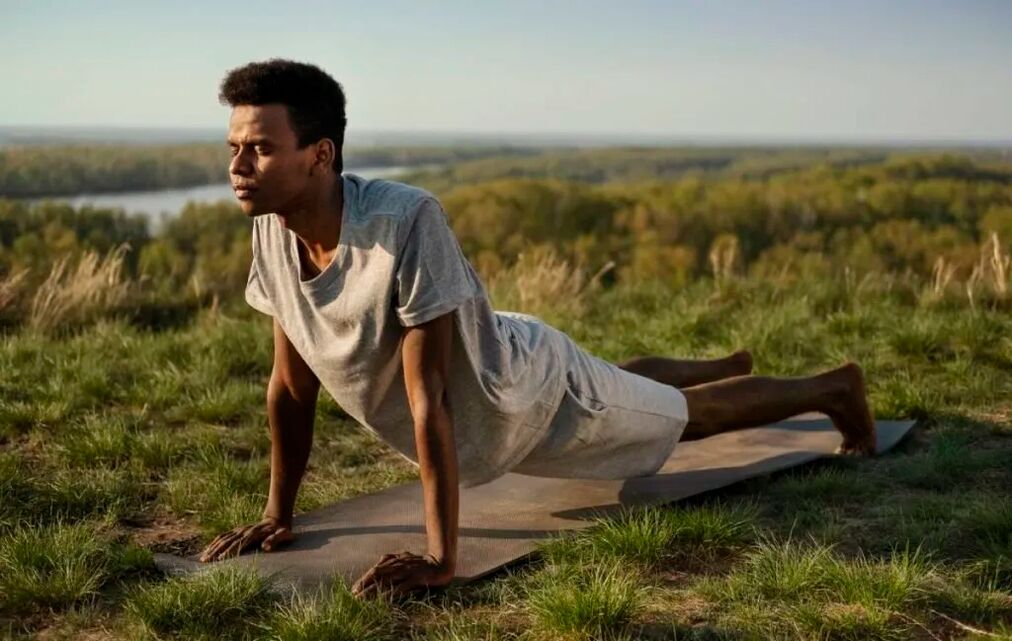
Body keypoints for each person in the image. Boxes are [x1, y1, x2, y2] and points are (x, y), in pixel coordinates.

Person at [197, 59, 876, 599]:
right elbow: (290, 388)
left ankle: (834, 389)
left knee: (683, 421)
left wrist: (441, 556)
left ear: (320, 155)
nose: (237, 166)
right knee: (614, 382)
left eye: (259, 148)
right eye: (233, 147)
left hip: (528, 396)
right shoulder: (271, 232)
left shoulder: (404, 220)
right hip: (506, 353)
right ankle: (715, 359)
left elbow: (429, 393)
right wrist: (277, 513)